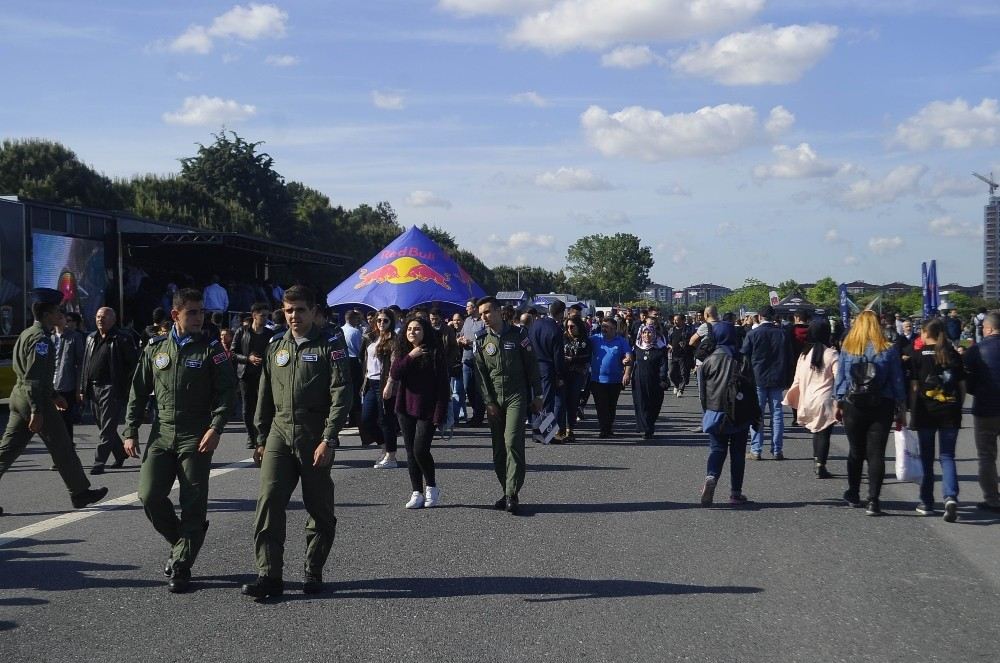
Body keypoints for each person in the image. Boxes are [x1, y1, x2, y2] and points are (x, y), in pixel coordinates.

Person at [122, 288, 237, 592]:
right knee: (149, 495)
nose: (200, 318)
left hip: (195, 436)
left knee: (193, 503)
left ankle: (182, 565)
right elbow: (138, 390)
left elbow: (228, 391)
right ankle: (184, 541)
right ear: (175, 315)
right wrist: (130, 430)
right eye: (193, 312)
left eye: (201, 312)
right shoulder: (156, 349)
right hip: (161, 435)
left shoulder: (212, 350)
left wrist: (216, 427)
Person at [241, 286, 352, 598]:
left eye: (300, 310)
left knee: (319, 507)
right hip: (279, 429)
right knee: (268, 500)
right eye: (289, 311)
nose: (294, 316)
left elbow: (342, 392)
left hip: (313, 431)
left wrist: (329, 438)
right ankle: (269, 574)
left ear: (313, 311)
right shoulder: (276, 344)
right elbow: (264, 393)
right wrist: (260, 438)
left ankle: (313, 569)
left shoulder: (331, 344)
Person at [0, 289, 108, 516]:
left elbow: (26, 373)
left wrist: (54, 394)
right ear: (48, 314)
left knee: (7, 451)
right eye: (58, 310)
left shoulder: (26, 334)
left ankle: (80, 492)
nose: (61, 313)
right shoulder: (42, 341)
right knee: (63, 447)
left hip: (20, 397)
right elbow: (34, 378)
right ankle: (80, 493)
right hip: (33, 400)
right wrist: (38, 410)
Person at [473, 296, 542, 515]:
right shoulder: (481, 339)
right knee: (498, 450)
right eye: (481, 313)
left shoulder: (519, 335)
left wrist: (538, 394)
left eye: (487, 312)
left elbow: (532, 366)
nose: (483, 317)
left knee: (512, 442)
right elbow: (480, 374)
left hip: (516, 396)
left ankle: (513, 493)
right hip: (494, 399)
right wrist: (488, 402)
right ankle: (506, 491)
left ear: (498, 311)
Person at [834, 310, 907, 516]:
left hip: (853, 404)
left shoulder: (848, 348)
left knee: (855, 451)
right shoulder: (888, 349)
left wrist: (838, 403)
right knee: (877, 454)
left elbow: (840, 379)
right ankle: (873, 500)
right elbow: (897, 380)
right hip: (881, 403)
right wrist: (901, 407)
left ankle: (853, 493)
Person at [904, 318, 966, 521]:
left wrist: (911, 411)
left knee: (927, 459)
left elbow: (913, 387)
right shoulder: (953, 354)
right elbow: (962, 387)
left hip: (926, 411)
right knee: (947, 456)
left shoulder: (917, 355)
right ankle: (950, 497)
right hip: (950, 410)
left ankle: (927, 501)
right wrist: (958, 405)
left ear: (924, 333)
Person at [387, 316, 450, 508]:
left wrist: (440, 414)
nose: (412, 333)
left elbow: (443, 386)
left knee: (420, 449)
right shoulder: (403, 352)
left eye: (417, 329)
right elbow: (395, 373)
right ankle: (417, 492)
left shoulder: (435, 352)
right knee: (410, 452)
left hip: (428, 408)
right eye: (409, 329)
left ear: (425, 332)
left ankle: (431, 487)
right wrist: (411, 356)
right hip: (405, 407)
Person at [698, 319, 759, 506]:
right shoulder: (742, 359)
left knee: (717, 449)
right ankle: (735, 493)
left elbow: (702, 394)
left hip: (716, 411)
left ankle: (711, 477)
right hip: (740, 412)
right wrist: (756, 415)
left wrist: (707, 411)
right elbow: (751, 389)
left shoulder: (708, 361)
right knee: (738, 453)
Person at [80, 306, 139, 474]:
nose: (100, 319)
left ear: (113, 320)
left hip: (111, 387)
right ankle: (120, 453)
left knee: (107, 427)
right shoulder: (91, 338)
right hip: (93, 387)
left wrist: (126, 387)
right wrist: (82, 388)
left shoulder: (122, 339)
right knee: (102, 425)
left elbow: (133, 365)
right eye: (98, 316)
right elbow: (85, 365)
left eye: (104, 317)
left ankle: (99, 462)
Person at [783, 320, 839, 479]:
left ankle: (817, 460)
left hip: (808, 399)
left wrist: (792, 399)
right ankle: (820, 463)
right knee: (824, 433)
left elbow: (797, 380)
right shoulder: (831, 354)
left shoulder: (804, 355)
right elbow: (840, 377)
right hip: (825, 399)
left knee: (815, 430)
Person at [741, 305, 794, 461]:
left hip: (758, 378)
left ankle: (756, 450)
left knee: (757, 414)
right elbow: (790, 358)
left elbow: (744, 357)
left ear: (759, 316)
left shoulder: (753, 334)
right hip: (778, 378)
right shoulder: (782, 334)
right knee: (777, 414)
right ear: (774, 316)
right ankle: (777, 449)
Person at [964, 312, 1000, 512]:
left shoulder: (976, 350)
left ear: (987, 329)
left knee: (986, 455)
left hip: (986, 408)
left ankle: (992, 499)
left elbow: (968, 384)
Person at [360, 309, 399, 468]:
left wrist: (390, 384)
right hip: (370, 382)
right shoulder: (371, 338)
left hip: (384, 383)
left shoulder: (394, 340)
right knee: (366, 419)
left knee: (386, 420)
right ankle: (384, 447)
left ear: (391, 322)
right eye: (379, 320)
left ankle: (391, 456)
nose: (381, 323)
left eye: (385, 321)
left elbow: (395, 364)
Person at [232, 303, 273, 450]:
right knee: (248, 407)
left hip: (264, 375)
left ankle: (263, 435)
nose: (265, 318)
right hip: (246, 374)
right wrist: (247, 359)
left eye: (267, 315)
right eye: (262, 315)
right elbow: (232, 353)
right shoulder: (242, 332)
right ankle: (251, 435)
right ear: (254, 315)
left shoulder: (270, 334)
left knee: (264, 406)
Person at [588, 318, 633, 439]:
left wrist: (627, 373)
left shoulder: (621, 341)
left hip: (615, 380)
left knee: (611, 406)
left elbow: (629, 357)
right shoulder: (595, 339)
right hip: (597, 380)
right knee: (601, 405)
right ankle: (604, 429)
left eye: (606, 327)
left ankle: (608, 427)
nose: (604, 329)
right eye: (602, 326)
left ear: (614, 329)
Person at [528, 300, 566, 441]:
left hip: (534, 366)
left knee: (536, 399)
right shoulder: (555, 330)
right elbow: (558, 356)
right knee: (547, 402)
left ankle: (535, 432)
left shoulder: (535, 324)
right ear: (561, 313)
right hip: (547, 367)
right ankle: (546, 434)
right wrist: (560, 375)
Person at [52, 311, 86, 447]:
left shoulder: (74, 337)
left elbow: (80, 364)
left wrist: (79, 388)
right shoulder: (49, 338)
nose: (60, 320)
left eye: (63, 318)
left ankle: (67, 450)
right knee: (53, 422)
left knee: (65, 421)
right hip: (51, 386)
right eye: (58, 317)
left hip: (67, 385)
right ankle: (59, 451)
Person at [631, 324, 668, 440]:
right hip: (639, 380)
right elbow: (630, 361)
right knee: (641, 403)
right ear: (641, 334)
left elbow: (663, 365)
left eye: (649, 332)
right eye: (644, 333)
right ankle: (646, 428)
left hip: (655, 381)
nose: (647, 335)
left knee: (654, 404)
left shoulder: (660, 348)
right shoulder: (636, 348)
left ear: (654, 334)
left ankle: (649, 424)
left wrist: (662, 378)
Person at [561, 317, 591, 442]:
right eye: (567, 326)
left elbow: (587, 357)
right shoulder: (563, 339)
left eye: (572, 326)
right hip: (563, 374)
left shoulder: (585, 341)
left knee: (573, 401)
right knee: (561, 401)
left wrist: (572, 359)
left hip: (577, 374)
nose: (569, 329)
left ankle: (570, 428)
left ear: (579, 326)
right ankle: (560, 428)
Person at [459, 298, 486, 426]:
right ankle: (476, 412)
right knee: (467, 387)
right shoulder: (467, 321)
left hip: (479, 360)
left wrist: (471, 342)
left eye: (468, 306)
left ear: (475, 308)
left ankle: (478, 416)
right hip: (466, 359)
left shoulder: (483, 322)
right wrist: (460, 340)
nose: (466, 308)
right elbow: (461, 335)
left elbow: (486, 340)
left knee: (478, 390)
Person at [341, 309, 364, 428]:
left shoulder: (340, 330)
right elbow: (359, 349)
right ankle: (356, 419)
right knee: (355, 390)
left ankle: (350, 417)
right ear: (351, 319)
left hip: (344, 361)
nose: (357, 321)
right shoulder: (355, 332)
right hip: (354, 361)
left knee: (347, 389)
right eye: (356, 318)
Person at [667, 314, 692, 397]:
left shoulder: (688, 329)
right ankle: (676, 385)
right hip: (672, 354)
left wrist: (686, 343)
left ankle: (681, 389)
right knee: (671, 373)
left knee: (683, 373)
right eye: (674, 320)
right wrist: (670, 346)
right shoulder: (671, 330)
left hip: (683, 355)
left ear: (682, 321)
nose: (675, 322)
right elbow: (667, 341)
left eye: (677, 320)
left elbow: (692, 340)